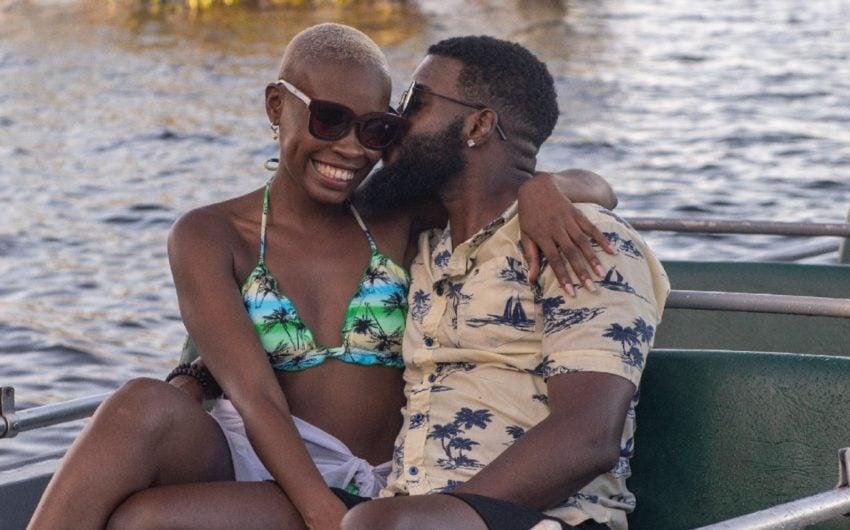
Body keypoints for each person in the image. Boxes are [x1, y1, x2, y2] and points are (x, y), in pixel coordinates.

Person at [28, 25, 617, 530]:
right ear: (276, 106)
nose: (351, 149)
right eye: (330, 119)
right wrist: (321, 515)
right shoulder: (209, 235)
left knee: (141, 521)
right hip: (261, 454)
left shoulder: (395, 213)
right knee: (139, 404)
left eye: (376, 129)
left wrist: (543, 189)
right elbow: (255, 397)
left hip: (380, 482)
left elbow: (594, 189)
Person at [333, 36, 671, 530]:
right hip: (404, 505)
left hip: (548, 519)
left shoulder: (578, 238)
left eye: (415, 102)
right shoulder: (424, 243)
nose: (396, 120)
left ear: (478, 125)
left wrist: (438, 515)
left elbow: (589, 436)